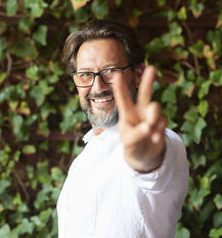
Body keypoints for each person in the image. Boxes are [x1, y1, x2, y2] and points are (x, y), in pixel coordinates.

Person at [56, 19, 189, 238]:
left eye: (110, 71)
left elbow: (152, 167)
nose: (97, 87)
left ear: (138, 75)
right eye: (86, 75)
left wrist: (144, 159)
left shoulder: (163, 142)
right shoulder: (83, 160)